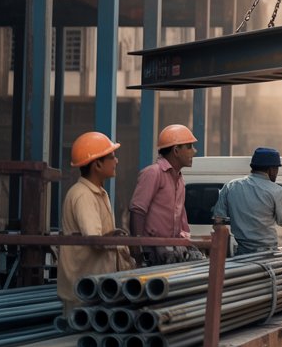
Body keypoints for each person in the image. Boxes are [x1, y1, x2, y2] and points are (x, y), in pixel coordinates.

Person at [57, 131, 136, 316]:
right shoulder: (83, 195)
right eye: (112, 157)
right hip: (84, 291)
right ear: (97, 163)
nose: (116, 161)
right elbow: (95, 239)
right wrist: (116, 236)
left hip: (95, 287)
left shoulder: (98, 193)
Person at [212, 146, 282, 255]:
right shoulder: (275, 190)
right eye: (276, 169)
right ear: (271, 169)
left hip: (241, 256)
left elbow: (218, 222)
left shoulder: (230, 186)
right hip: (267, 257)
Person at [129, 124, 202, 266]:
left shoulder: (179, 179)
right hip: (151, 252)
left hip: (169, 252)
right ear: (176, 150)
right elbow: (137, 211)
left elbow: (181, 220)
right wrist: (138, 250)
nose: (194, 151)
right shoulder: (153, 173)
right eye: (189, 147)